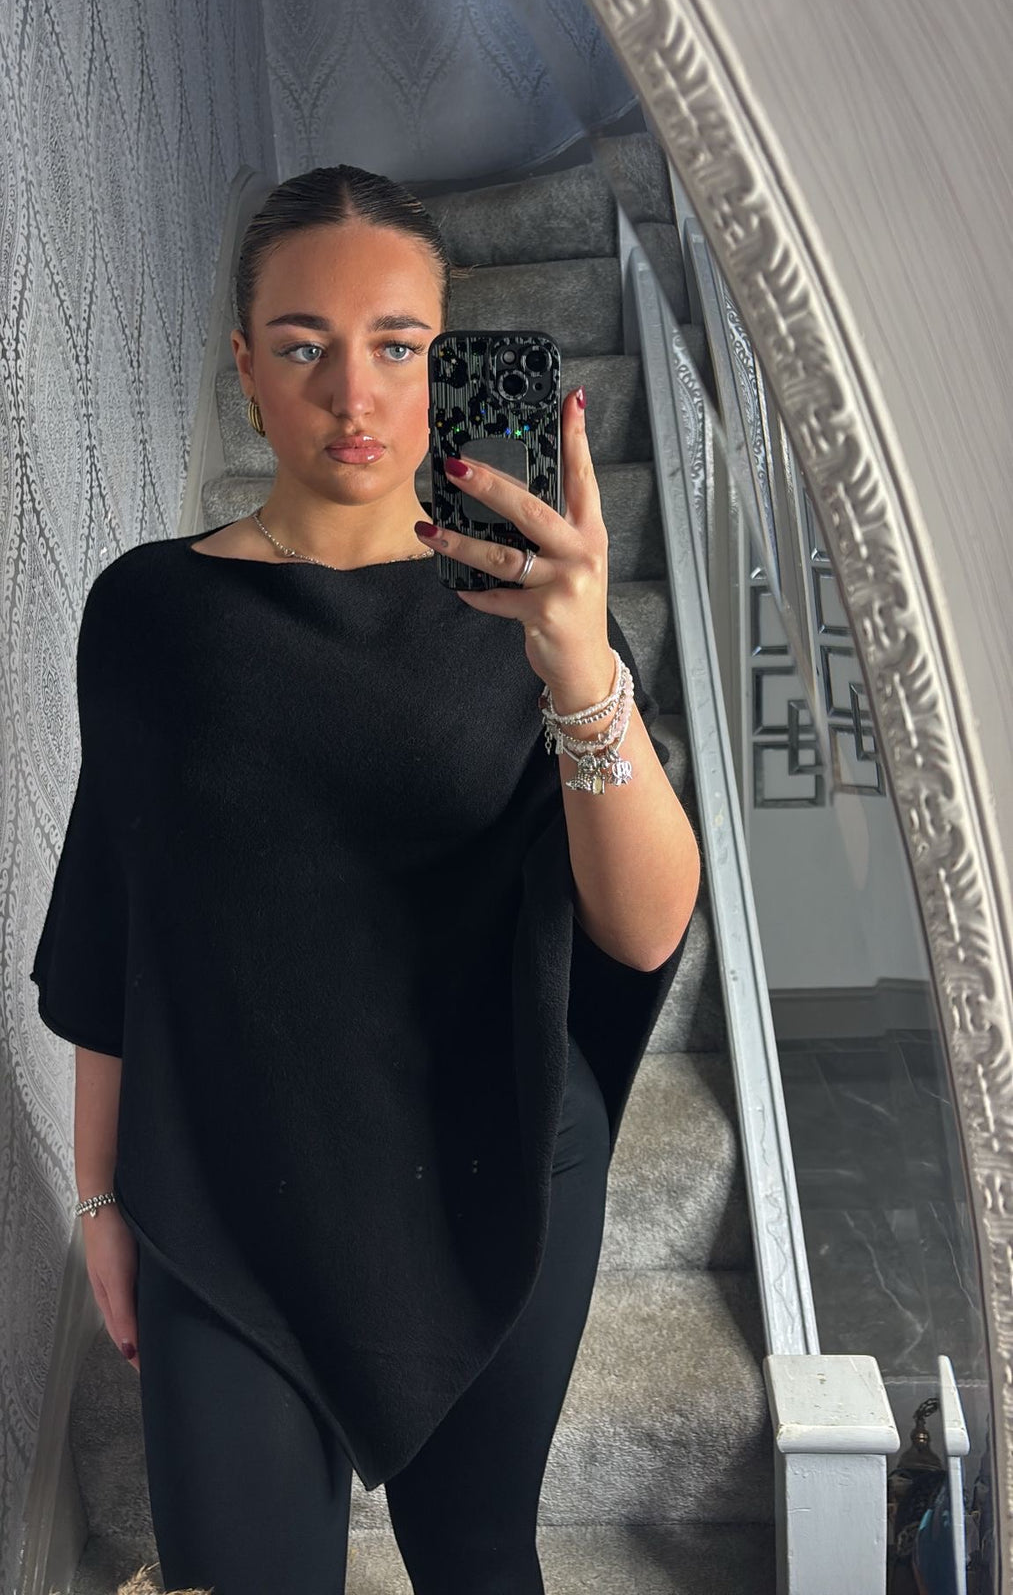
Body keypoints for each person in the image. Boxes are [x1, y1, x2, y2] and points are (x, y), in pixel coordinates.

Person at [33, 164, 701, 1595]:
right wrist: (99, 1195)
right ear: (244, 366)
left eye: (398, 346)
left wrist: (581, 663)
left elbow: (645, 926)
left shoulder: (524, 610)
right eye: (303, 346)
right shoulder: (152, 613)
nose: (354, 393)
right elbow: (113, 912)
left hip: (493, 1152)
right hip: (225, 1177)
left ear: (444, 361)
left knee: (475, 1553)